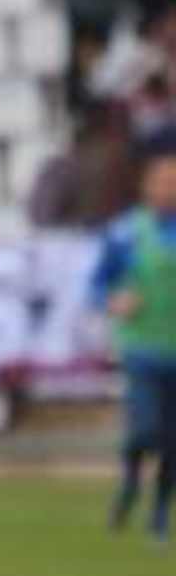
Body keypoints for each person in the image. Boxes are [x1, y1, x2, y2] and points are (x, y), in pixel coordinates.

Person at [91, 143, 176, 542]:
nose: (168, 189)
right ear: (146, 186)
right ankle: (129, 482)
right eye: (162, 182)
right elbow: (97, 283)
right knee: (146, 431)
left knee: (172, 440)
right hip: (141, 347)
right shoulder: (126, 232)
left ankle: (160, 513)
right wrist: (113, 299)